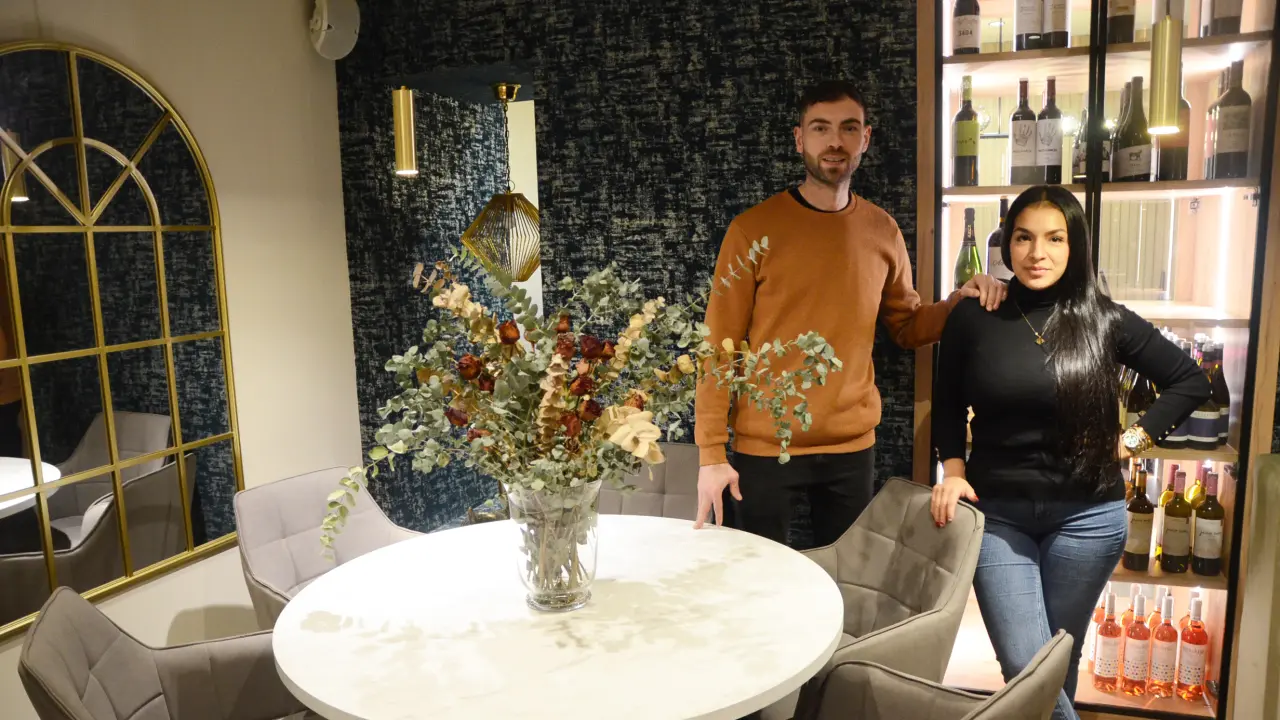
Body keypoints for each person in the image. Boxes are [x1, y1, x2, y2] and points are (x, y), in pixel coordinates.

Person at [930, 185, 1210, 720]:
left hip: (1088, 519)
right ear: (1007, 245)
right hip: (997, 516)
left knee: (1060, 657)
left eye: (1054, 238)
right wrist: (953, 471)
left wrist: (1130, 442)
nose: (1037, 253)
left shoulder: (1104, 319)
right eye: (1024, 238)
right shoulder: (975, 316)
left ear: (1075, 244)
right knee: (1025, 664)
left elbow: (1189, 380)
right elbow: (946, 404)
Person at [692, 79, 1006, 548]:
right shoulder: (751, 230)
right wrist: (711, 453)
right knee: (756, 579)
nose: (834, 141)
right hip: (765, 447)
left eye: (848, 128)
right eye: (820, 128)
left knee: (845, 580)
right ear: (799, 139)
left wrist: (959, 303)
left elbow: (907, 326)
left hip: (851, 448)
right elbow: (718, 348)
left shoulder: (882, 230)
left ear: (866, 139)